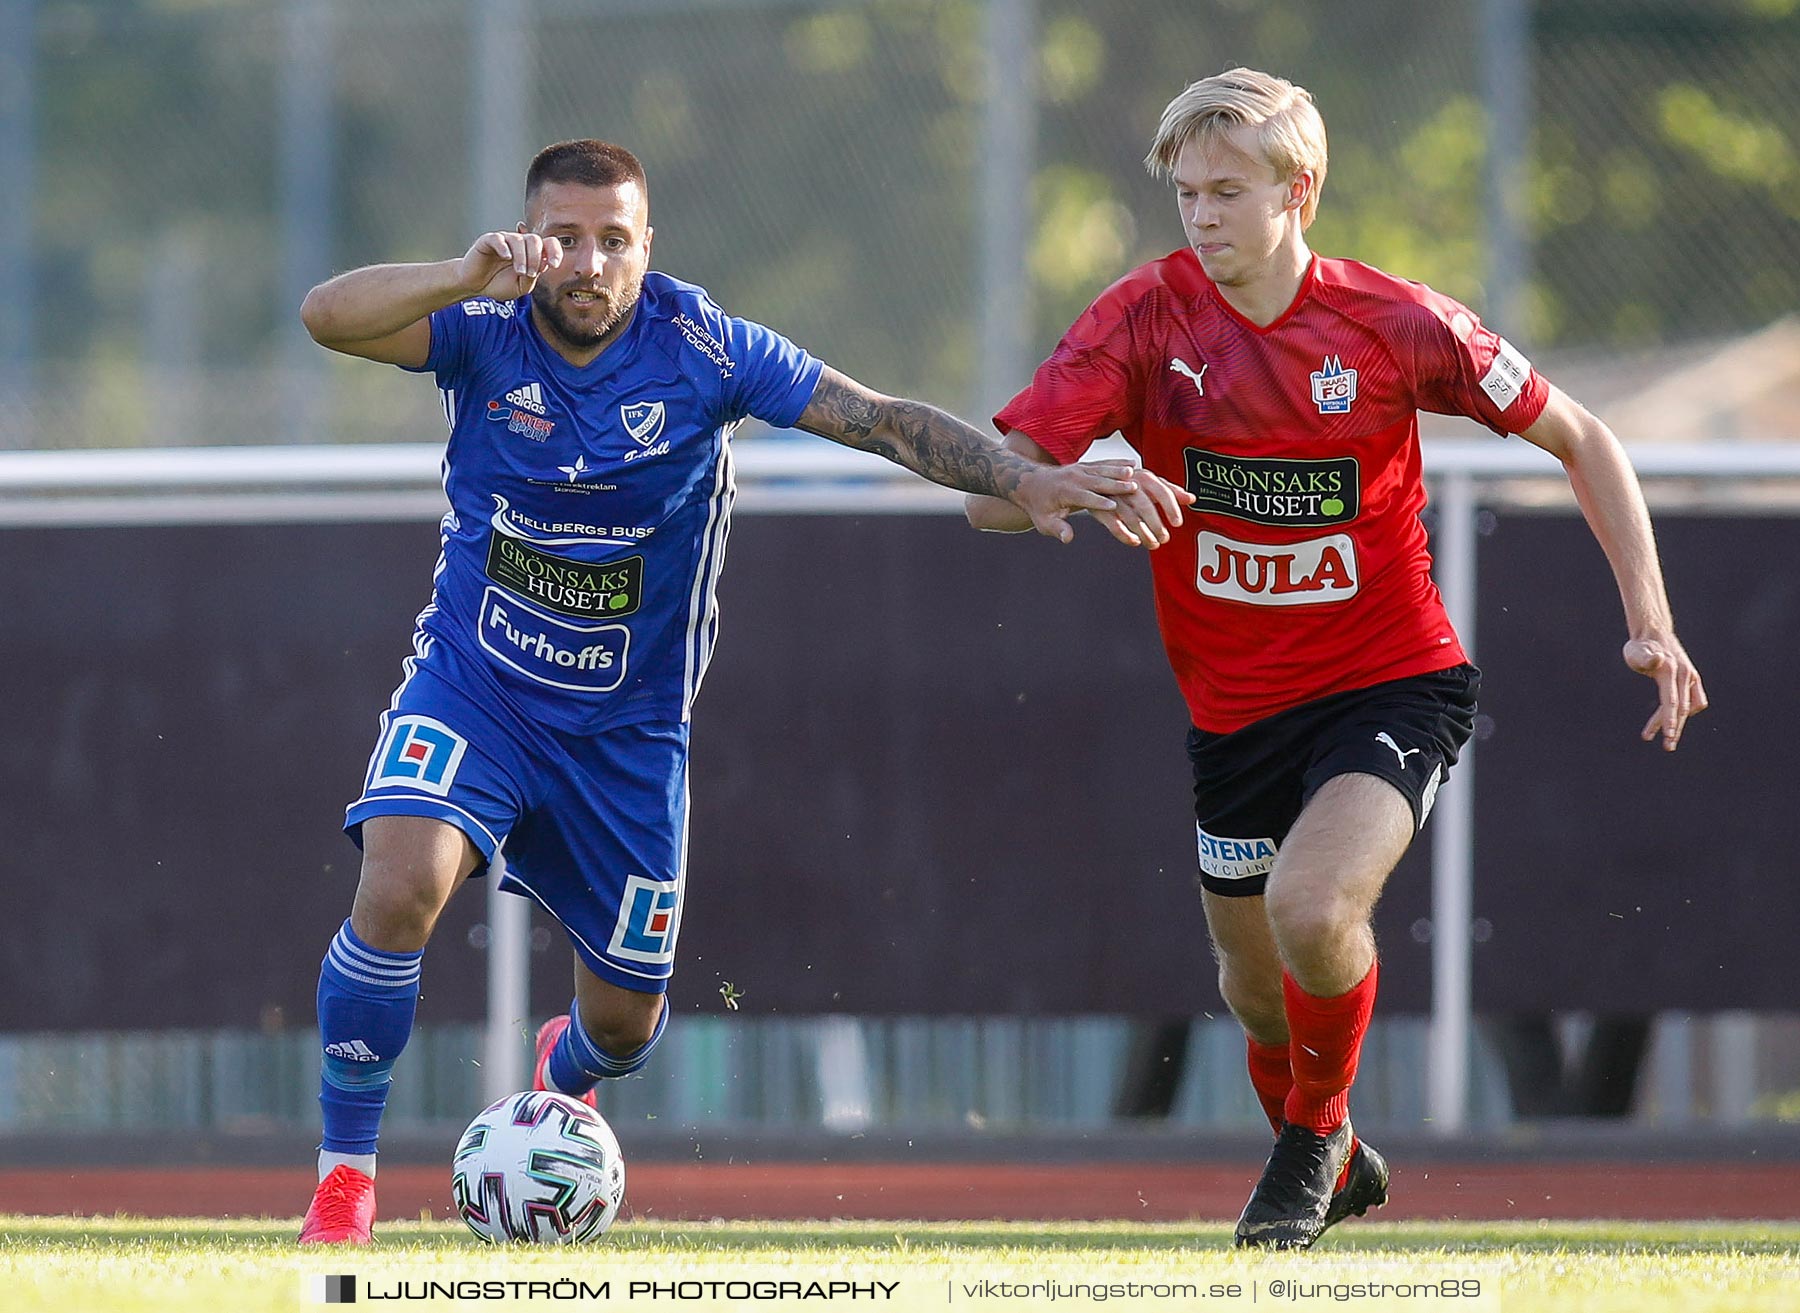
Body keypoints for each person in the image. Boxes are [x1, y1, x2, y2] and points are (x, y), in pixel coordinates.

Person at [292, 138, 1147, 1245]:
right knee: (401, 881)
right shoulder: (482, 327)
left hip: (629, 735)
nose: (587, 262)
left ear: (648, 248)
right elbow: (325, 315)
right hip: (477, 686)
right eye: (564, 236)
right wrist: (463, 274)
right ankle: (343, 1180)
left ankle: (567, 1064)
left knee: (627, 1019)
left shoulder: (706, 348)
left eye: (613, 239)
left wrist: (1026, 477)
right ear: (528, 238)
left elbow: (880, 415)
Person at [965, 68, 1707, 1250]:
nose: (1201, 216)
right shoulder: (1140, 320)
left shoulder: (1396, 323)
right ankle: (1337, 1144)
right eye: (1185, 193)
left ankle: (1311, 1144)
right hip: (1232, 715)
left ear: (1299, 189)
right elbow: (993, 494)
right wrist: (1055, 480)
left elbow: (1584, 434)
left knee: (1316, 907)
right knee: (1254, 988)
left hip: (1391, 678)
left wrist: (1651, 618)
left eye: (1228, 189)